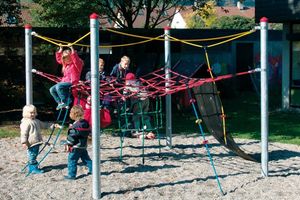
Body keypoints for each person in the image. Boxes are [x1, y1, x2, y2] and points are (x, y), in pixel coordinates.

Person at [20, 104, 60, 174]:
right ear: (26, 113)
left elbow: (44, 125)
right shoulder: (26, 123)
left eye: (34, 112)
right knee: (32, 155)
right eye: (31, 113)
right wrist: (24, 142)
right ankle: (33, 168)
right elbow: (24, 133)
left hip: (37, 142)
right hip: (31, 143)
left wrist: (53, 125)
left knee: (34, 155)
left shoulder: (36, 121)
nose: (33, 114)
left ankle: (32, 167)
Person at [49, 44, 84, 110]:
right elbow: (59, 59)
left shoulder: (77, 65)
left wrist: (72, 49)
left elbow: (76, 59)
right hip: (64, 82)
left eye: (68, 57)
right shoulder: (65, 65)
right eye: (64, 58)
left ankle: (66, 101)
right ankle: (60, 103)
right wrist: (60, 49)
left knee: (58, 86)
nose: (66, 59)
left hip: (72, 82)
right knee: (52, 89)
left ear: (71, 57)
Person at [64, 105, 92, 180]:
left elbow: (72, 137)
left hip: (75, 147)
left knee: (72, 160)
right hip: (83, 145)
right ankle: (93, 170)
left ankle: (71, 175)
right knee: (86, 159)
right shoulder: (85, 123)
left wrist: (68, 144)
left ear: (73, 114)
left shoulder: (75, 126)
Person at [123, 73, 155, 139]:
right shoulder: (138, 82)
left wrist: (124, 97)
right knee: (144, 115)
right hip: (146, 99)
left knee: (136, 116)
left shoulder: (128, 84)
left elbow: (125, 93)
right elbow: (145, 89)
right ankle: (149, 130)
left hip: (139, 101)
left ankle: (137, 130)